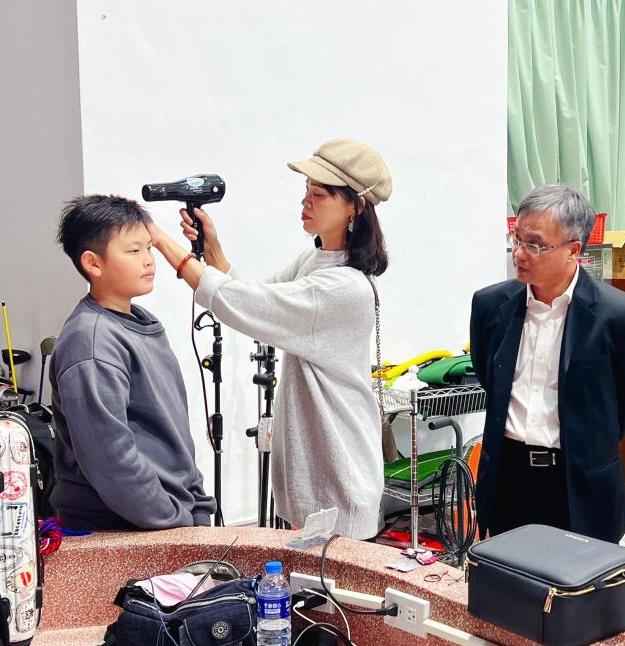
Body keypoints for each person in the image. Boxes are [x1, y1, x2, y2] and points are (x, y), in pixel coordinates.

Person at [149, 138, 391, 539]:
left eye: (318, 194)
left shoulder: (342, 288)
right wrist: (214, 253)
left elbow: (240, 303)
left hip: (340, 476)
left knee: (331, 598)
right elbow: (258, 298)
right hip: (318, 474)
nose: (305, 202)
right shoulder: (315, 261)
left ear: (355, 206)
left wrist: (162, 242)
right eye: (305, 192)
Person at [470, 184, 625, 543]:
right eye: (517, 238)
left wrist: (591, 435)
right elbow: (489, 377)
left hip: (579, 482)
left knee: (578, 592)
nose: (520, 254)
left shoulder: (620, 316)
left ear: (574, 250)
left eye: (536, 244)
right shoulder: (489, 306)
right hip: (508, 477)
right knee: (511, 587)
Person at [49, 195, 216, 530]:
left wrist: (197, 510)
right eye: (133, 251)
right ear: (93, 264)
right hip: (119, 531)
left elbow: (174, 434)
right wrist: (174, 522)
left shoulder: (143, 321)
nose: (149, 260)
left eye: (149, 248)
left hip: (170, 524)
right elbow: (113, 461)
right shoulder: (91, 342)